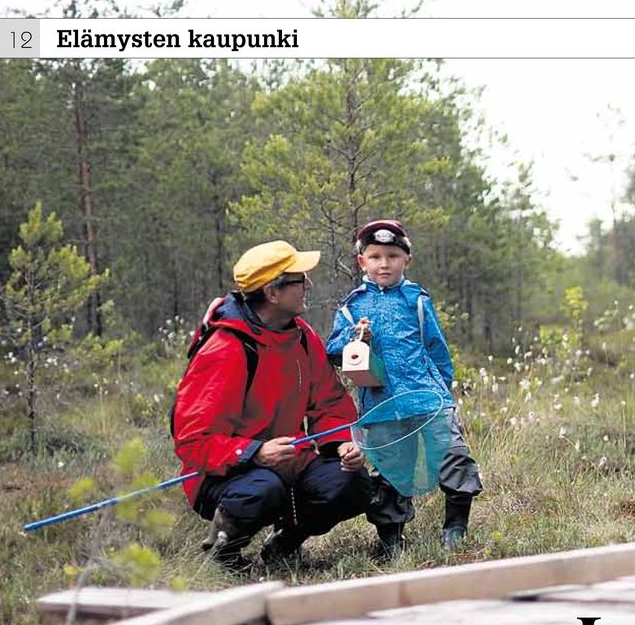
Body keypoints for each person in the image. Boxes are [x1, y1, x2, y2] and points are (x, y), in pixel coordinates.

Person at [173, 240, 371, 571]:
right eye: (299, 279)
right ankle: (221, 557)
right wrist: (253, 453)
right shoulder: (224, 350)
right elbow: (193, 442)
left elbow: (330, 402)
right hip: (224, 476)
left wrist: (341, 445)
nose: (307, 285)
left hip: (289, 464)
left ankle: (284, 544)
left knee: (352, 482)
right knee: (263, 488)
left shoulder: (303, 336)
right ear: (272, 293)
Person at [326, 219, 482, 557]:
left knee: (453, 457)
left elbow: (437, 348)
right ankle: (391, 540)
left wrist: (444, 394)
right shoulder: (351, 307)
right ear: (362, 261)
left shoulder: (418, 300)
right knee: (389, 471)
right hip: (383, 405)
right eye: (376, 256)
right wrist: (355, 338)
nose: (385, 263)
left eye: (393, 255)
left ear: (406, 260)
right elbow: (333, 351)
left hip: (429, 400)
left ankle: (456, 527)